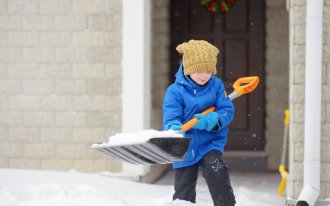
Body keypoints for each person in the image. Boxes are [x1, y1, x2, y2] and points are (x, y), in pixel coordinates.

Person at [162, 39, 236, 205]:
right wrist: (173, 127)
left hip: (210, 143)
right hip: (185, 146)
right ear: (188, 68)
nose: (204, 75)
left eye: (209, 70)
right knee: (183, 189)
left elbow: (227, 111)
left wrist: (210, 120)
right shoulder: (174, 91)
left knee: (216, 170)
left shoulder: (216, 86)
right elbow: (171, 115)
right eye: (199, 70)